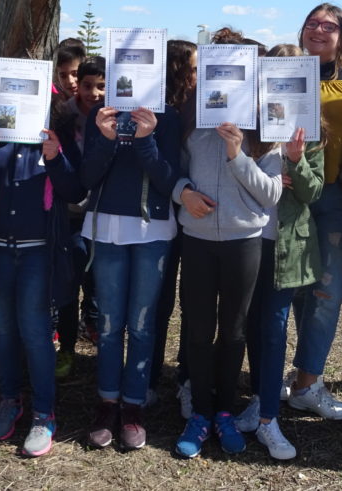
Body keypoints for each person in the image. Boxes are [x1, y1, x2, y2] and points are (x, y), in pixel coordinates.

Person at [0, 84, 85, 457]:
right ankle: (10, 399)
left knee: (36, 332)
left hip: (37, 255)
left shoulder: (55, 135)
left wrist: (56, 158)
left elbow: (75, 189)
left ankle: (44, 413)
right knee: (5, 330)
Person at [172, 91, 283, 458]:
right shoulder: (195, 126)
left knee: (234, 330)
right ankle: (201, 413)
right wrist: (182, 192)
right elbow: (174, 171)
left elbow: (270, 194)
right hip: (198, 240)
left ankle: (224, 412)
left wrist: (238, 155)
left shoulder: (266, 132)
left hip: (244, 242)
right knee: (199, 330)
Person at [234, 43, 325, 460]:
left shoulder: (309, 132)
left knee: (272, 329)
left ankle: (270, 418)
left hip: (284, 247)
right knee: (250, 327)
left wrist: (296, 160)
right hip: (244, 243)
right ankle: (258, 397)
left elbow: (310, 192)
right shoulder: (246, 124)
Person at [80, 95, 181, 450]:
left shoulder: (168, 115)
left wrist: (146, 138)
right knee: (108, 324)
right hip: (106, 230)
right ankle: (107, 402)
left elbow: (170, 180)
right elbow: (87, 177)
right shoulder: (100, 113)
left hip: (152, 232)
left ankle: (134, 406)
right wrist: (106, 140)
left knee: (142, 324)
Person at [288, 2, 342, 419]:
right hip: (289, 194)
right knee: (298, 291)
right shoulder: (282, 69)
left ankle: (308, 382)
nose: (318, 29)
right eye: (312, 22)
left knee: (325, 291)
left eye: (330, 25)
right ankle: (304, 377)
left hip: (338, 197)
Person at [150, 39, 197, 415]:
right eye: (193, 69)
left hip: (198, 214)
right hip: (163, 213)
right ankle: (148, 375)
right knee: (160, 299)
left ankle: (186, 373)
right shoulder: (162, 111)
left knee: (192, 300)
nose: (198, 76)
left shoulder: (203, 106)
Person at [54, 56, 105, 378]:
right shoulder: (64, 116)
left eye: (101, 86)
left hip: (103, 215)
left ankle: (98, 335)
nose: (93, 93)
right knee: (69, 282)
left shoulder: (114, 115)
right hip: (72, 214)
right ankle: (67, 347)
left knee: (99, 281)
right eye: (87, 85)